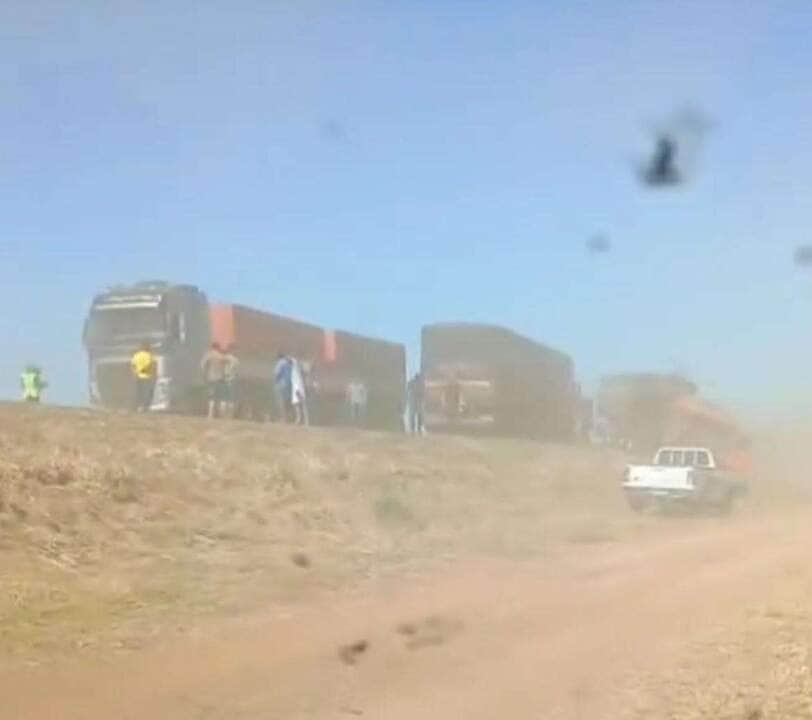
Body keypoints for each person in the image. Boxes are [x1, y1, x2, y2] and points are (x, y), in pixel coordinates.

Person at [200, 342, 229, 419]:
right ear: (217, 347)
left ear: (212, 347)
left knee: (211, 396)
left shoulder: (208, 355)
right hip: (220, 378)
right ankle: (222, 415)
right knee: (220, 396)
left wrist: (204, 374)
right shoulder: (221, 356)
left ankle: (210, 414)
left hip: (211, 378)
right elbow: (226, 367)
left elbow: (202, 365)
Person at [130, 342, 156, 412]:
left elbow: (132, 365)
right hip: (147, 376)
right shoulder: (149, 355)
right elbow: (150, 364)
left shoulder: (136, 355)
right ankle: (145, 407)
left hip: (137, 376)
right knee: (147, 393)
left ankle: (137, 406)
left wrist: (135, 372)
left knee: (139, 392)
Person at [273, 352, 293, 422]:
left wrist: (275, 382)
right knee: (287, 401)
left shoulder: (280, 363)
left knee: (281, 401)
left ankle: (283, 418)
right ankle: (289, 417)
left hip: (282, 384)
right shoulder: (289, 363)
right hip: (290, 384)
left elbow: (277, 374)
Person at [290, 357, 309, 426]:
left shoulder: (296, 370)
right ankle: (299, 419)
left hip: (298, 389)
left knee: (302, 405)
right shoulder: (294, 370)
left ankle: (306, 421)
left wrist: (298, 390)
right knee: (297, 405)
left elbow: (297, 381)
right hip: (296, 388)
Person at [223, 344, 240, 419]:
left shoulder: (223, 358)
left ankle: (222, 414)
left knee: (223, 396)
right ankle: (230, 415)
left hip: (223, 379)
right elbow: (237, 371)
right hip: (232, 379)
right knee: (231, 397)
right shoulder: (235, 360)